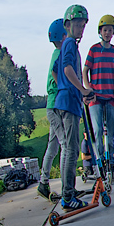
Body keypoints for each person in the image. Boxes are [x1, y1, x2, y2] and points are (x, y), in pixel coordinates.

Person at [54, 5, 94, 211]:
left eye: (83, 25)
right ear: (67, 25)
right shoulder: (69, 43)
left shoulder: (66, 45)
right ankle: (68, 196)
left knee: (68, 150)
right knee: (71, 151)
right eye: (77, 24)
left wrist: (77, 92)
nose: (80, 29)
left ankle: (67, 193)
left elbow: (56, 70)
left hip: (67, 100)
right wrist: (82, 89)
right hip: (68, 102)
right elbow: (67, 69)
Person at [83, 14, 114, 181]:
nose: (108, 33)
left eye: (110, 30)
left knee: (111, 134)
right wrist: (88, 88)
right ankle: (99, 166)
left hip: (110, 97)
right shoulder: (93, 50)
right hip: (95, 97)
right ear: (100, 31)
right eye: (105, 30)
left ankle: (111, 167)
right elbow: (85, 70)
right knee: (98, 130)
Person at [38, 19, 66, 202]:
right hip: (56, 106)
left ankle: (43, 182)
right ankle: (67, 187)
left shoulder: (56, 53)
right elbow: (59, 80)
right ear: (64, 36)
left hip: (51, 106)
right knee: (65, 145)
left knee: (53, 146)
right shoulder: (60, 55)